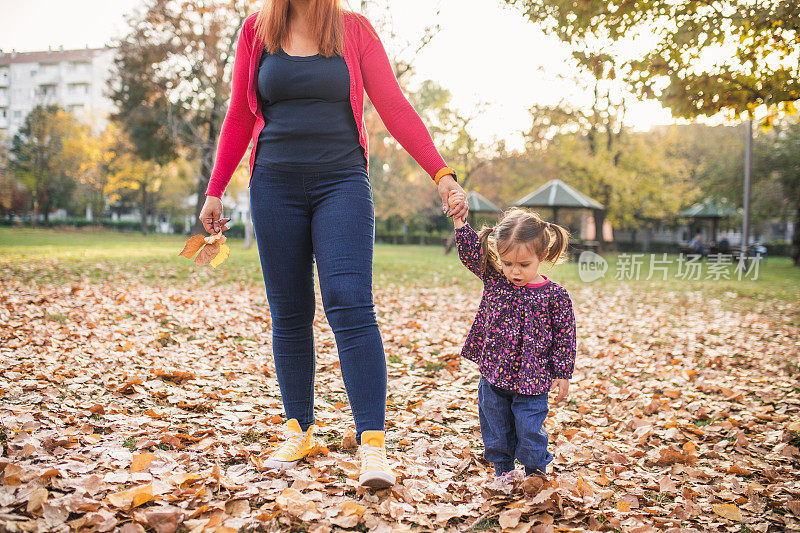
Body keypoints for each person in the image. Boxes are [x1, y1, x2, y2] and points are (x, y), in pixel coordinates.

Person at [197, 0, 469, 490]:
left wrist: (442, 174)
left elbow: (394, 105)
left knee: (350, 303)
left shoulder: (354, 30)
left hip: (342, 182)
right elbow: (239, 111)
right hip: (273, 183)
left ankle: (372, 445)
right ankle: (298, 429)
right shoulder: (257, 31)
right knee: (290, 310)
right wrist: (216, 188)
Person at [449, 193, 576, 479]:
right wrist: (460, 224)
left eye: (523, 265)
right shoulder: (496, 281)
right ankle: (503, 472)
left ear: (541, 257)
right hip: (494, 372)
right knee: (496, 425)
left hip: (533, 378)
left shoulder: (555, 296)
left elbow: (565, 337)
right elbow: (472, 254)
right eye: (507, 263)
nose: (514, 271)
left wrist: (563, 372)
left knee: (530, 429)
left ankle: (534, 473)